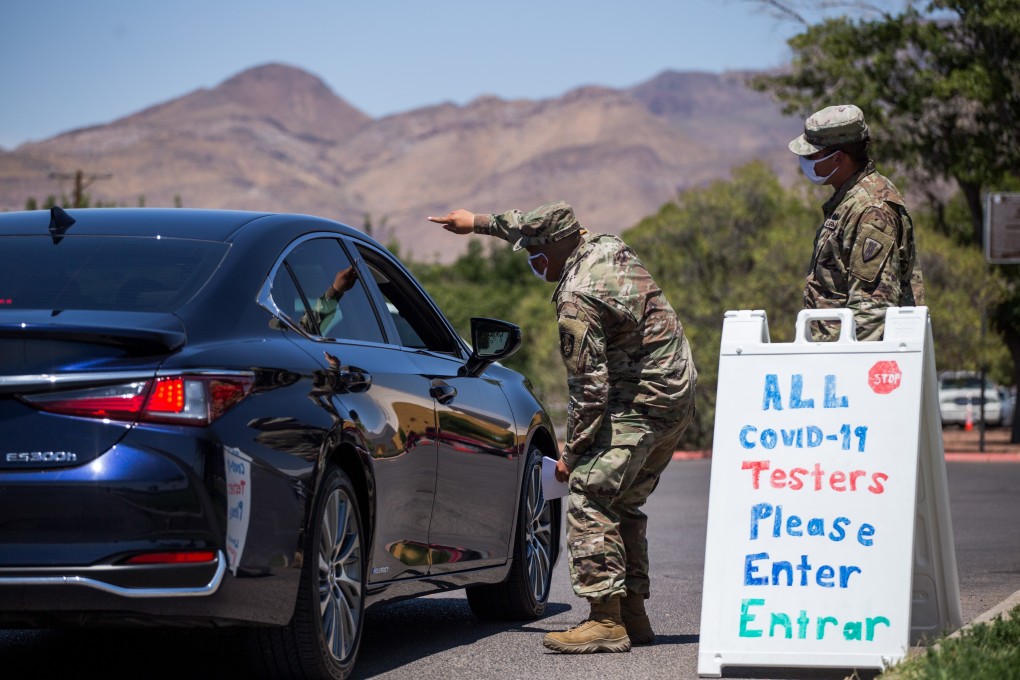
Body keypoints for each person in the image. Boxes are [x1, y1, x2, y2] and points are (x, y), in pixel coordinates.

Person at [428, 201, 697, 653]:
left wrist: (571, 456)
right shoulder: (605, 246)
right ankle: (632, 615)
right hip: (676, 393)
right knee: (624, 500)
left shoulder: (578, 294)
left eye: (536, 252)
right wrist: (476, 223)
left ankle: (605, 622)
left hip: (641, 401)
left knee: (590, 493)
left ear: (557, 244)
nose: (532, 260)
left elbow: (590, 389)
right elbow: (526, 226)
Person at [789, 104, 925, 341]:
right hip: (836, 360)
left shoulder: (871, 209)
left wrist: (854, 371)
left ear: (838, 158)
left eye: (811, 155)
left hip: (854, 365)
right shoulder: (850, 200)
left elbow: (871, 311)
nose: (805, 161)